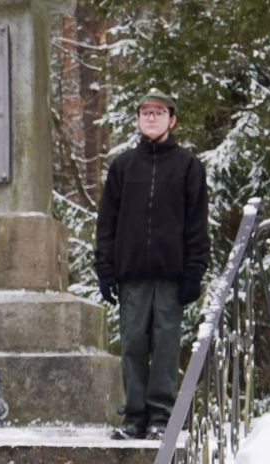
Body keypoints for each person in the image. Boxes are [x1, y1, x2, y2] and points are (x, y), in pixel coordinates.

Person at [95, 88, 210, 441]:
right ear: (137, 119)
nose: (151, 118)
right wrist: (105, 268)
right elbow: (107, 223)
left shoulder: (188, 166)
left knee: (165, 345)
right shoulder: (123, 167)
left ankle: (161, 416)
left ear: (171, 120)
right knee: (132, 344)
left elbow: (196, 223)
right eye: (146, 112)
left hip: (171, 276)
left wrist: (194, 271)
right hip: (132, 276)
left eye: (158, 113)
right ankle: (134, 417)